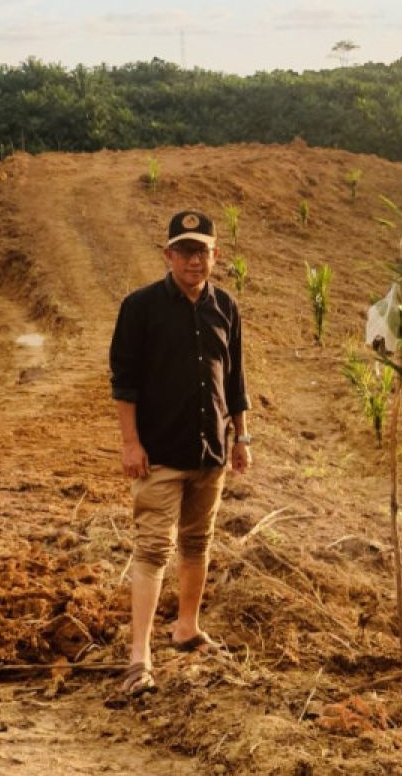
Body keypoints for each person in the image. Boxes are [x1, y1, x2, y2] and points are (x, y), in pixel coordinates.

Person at [109, 208, 252, 698]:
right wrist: (131, 443)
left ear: (217, 255)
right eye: (185, 251)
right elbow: (123, 384)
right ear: (168, 254)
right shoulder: (140, 307)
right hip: (159, 456)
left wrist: (242, 437)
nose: (195, 260)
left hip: (210, 451)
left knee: (198, 544)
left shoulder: (225, 307)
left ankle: (187, 628)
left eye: (203, 251)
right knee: (152, 550)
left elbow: (234, 381)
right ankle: (139, 657)